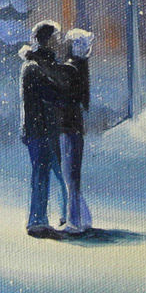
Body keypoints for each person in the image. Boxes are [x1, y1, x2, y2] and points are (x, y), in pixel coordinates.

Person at [18, 21, 66, 236]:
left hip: (49, 129)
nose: (60, 42)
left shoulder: (47, 64)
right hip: (39, 129)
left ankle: (66, 216)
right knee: (42, 174)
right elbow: (51, 94)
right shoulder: (34, 66)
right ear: (47, 40)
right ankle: (37, 220)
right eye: (56, 38)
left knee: (55, 173)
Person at [57, 28, 94, 235]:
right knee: (72, 176)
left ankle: (74, 221)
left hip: (67, 126)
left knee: (69, 176)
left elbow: (62, 96)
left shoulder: (70, 68)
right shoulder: (81, 67)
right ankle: (81, 218)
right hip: (74, 127)